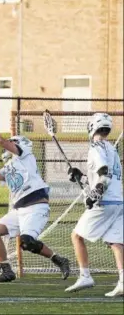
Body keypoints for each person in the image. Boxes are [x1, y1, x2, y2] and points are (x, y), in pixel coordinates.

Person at [0, 120, 70, 283]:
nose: (8, 145)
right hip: (19, 210)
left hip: (35, 206)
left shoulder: (26, 155)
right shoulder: (11, 165)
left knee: (27, 243)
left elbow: (2, 142)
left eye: (13, 142)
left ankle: (58, 259)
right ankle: (6, 270)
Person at [66, 113, 123, 297]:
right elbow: (102, 174)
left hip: (105, 202)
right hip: (118, 201)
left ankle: (85, 276)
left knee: (76, 236)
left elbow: (104, 174)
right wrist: (80, 176)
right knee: (116, 242)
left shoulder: (96, 147)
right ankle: (123, 281)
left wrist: (96, 193)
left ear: (92, 127)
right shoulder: (111, 148)